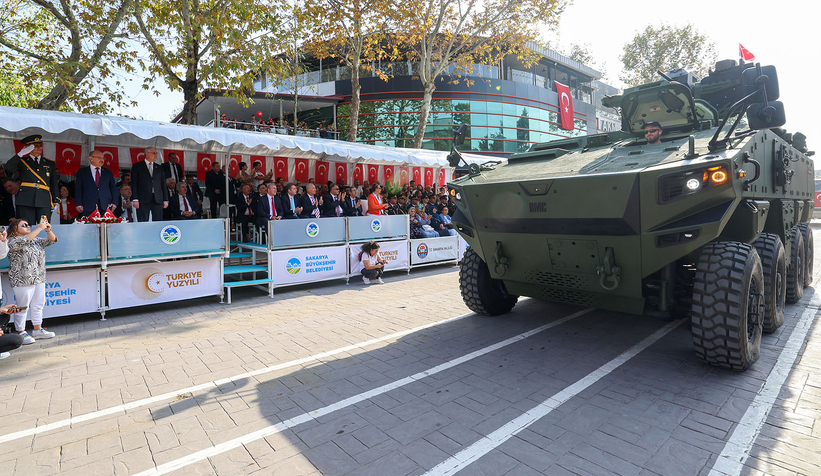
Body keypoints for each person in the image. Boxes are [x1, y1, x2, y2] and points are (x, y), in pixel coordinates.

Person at [6, 217, 57, 344]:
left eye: (28, 224)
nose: (28, 226)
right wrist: (39, 228)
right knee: (23, 306)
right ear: (14, 229)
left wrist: (48, 231)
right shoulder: (11, 241)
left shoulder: (35, 240)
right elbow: (24, 241)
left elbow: (53, 240)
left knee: (38, 304)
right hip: (22, 278)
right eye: (24, 225)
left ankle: (37, 329)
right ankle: (21, 332)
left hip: (38, 276)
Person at [5, 135, 60, 227]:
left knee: (43, 226)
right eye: (35, 146)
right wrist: (20, 154)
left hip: (43, 199)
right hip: (26, 199)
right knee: (26, 226)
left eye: (40, 145)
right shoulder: (22, 161)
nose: (39, 148)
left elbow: (53, 183)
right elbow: (8, 169)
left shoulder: (49, 163)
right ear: (28, 148)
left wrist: (56, 199)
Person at [75, 149, 118, 217]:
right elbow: (78, 189)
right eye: (99, 158)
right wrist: (78, 203)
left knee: (106, 226)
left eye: (103, 158)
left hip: (105, 205)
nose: (102, 160)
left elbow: (113, 188)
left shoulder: (108, 172)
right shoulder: (82, 172)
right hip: (88, 205)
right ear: (91, 158)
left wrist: (115, 202)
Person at [131, 147, 169, 221]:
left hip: (157, 199)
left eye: (156, 153)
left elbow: (163, 184)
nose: (156, 155)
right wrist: (135, 199)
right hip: (143, 198)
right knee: (143, 220)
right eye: (154, 153)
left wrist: (165, 199)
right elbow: (134, 183)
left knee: (158, 221)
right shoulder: (137, 166)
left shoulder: (159, 167)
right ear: (147, 154)